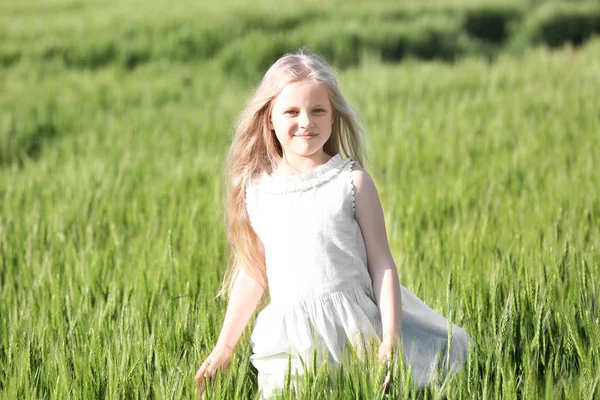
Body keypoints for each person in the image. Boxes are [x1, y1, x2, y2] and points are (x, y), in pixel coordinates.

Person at [195, 49, 471, 398]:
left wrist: (390, 337)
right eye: (291, 112)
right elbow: (254, 272)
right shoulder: (259, 191)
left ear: (333, 117)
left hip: (354, 332)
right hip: (290, 342)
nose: (306, 122)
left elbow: (382, 262)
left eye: (318, 110)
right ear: (269, 120)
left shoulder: (351, 183)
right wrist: (225, 346)